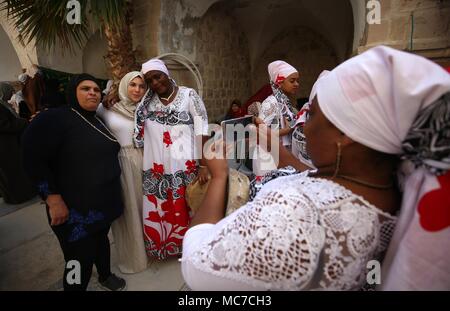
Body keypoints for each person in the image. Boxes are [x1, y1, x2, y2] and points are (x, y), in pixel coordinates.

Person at [180, 46, 450, 290]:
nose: (305, 125)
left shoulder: (295, 214)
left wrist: (219, 176)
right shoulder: (391, 185)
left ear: (345, 134)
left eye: (313, 114)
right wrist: (285, 157)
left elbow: (196, 268)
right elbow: (317, 175)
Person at [22, 74, 126, 291]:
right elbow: (32, 158)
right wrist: (52, 198)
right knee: (78, 258)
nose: (92, 93)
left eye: (96, 90)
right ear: (72, 92)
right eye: (85, 89)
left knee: (100, 242)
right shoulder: (55, 119)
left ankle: (105, 275)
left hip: (100, 205)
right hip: (74, 210)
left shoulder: (96, 119)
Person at [134, 58, 210, 260]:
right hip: (158, 168)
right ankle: (168, 247)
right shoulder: (146, 103)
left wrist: (203, 164)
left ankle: (194, 248)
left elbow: (202, 127)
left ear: (166, 73)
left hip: (186, 164)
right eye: (150, 81)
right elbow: (125, 98)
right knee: (163, 206)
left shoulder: (188, 95)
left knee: (191, 203)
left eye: (157, 77)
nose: (155, 83)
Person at [96, 71, 148, 273]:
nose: (137, 90)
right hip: (122, 162)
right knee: (128, 211)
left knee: (147, 208)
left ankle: (152, 250)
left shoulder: (145, 109)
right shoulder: (107, 108)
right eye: (132, 85)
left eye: (141, 86)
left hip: (147, 160)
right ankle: (134, 258)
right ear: (124, 85)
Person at [253, 60, 299, 176]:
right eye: (292, 81)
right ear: (279, 83)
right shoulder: (271, 103)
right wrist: (288, 130)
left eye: (297, 81)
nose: (296, 84)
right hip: (268, 157)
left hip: (280, 153)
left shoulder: (285, 103)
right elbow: (261, 133)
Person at [0, 83, 36, 204]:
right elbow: (5, 125)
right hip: (6, 146)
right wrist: (24, 122)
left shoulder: (3, 104)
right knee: (13, 172)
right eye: (9, 91)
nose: (11, 94)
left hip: (8, 144)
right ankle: (20, 196)